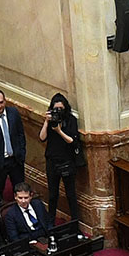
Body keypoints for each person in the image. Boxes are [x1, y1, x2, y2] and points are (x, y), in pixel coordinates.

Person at [40, 92, 82, 221]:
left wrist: (59, 131)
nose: (58, 111)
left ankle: (75, 222)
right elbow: (42, 138)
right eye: (55, 109)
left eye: (61, 109)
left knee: (71, 194)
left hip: (67, 161)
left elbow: (72, 141)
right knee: (53, 194)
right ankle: (51, 222)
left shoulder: (71, 120)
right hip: (52, 161)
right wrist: (47, 122)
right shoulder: (51, 119)